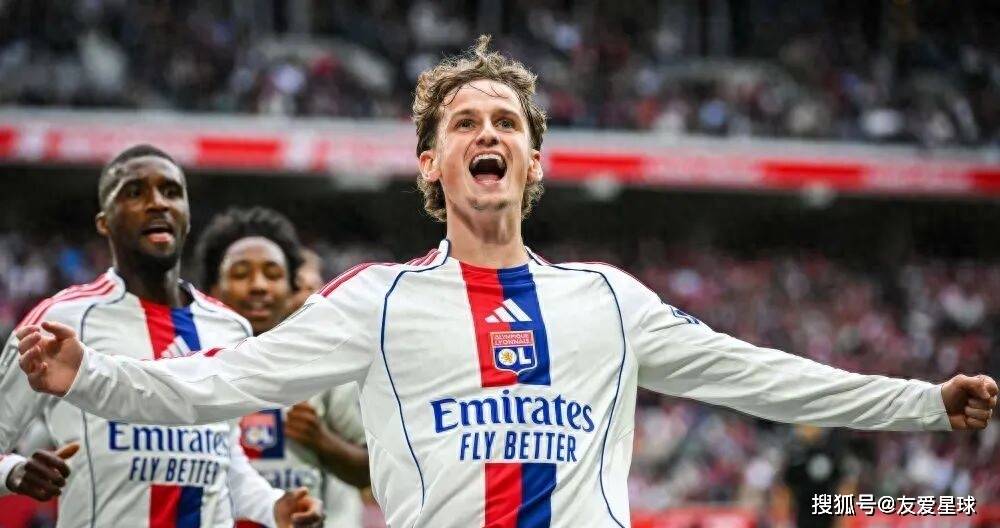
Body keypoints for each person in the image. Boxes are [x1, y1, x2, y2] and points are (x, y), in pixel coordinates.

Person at [13, 37, 998, 528]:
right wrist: (88, 376)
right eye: (463, 123)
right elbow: (214, 386)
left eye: (506, 124)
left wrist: (924, 403)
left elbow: (763, 376)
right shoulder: (377, 302)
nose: (487, 132)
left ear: (533, 162)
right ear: (430, 165)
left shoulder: (608, 301)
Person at [0, 145, 323, 528]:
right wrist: (14, 472)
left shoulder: (230, 328)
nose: (158, 203)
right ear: (104, 222)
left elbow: (222, 455)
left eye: (171, 192)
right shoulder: (59, 321)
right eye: (135, 192)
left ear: (186, 215)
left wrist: (271, 507)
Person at [195, 207, 369, 527]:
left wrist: (323, 441)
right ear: (213, 289)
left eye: (273, 274)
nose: (259, 286)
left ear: (291, 290)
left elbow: (370, 470)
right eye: (241, 274)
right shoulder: (192, 365)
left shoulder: (323, 367)